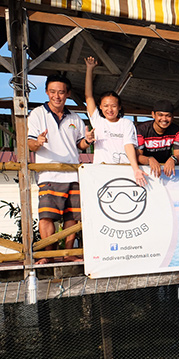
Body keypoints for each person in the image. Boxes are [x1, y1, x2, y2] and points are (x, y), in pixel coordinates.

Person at [28, 74, 94, 264]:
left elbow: (80, 144)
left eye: (61, 92)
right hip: (49, 174)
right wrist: (38, 142)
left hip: (73, 174)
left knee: (72, 217)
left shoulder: (75, 118)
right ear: (47, 92)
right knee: (47, 216)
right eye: (53, 92)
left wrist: (87, 140)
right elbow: (31, 143)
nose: (57, 96)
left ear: (68, 94)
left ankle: (69, 253)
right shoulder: (38, 114)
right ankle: (49, 255)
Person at [84, 57, 146, 186]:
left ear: (119, 107)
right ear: (100, 106)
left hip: (125, 170)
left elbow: (129, 145)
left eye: (113, 106)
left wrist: (135, 169)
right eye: (106, 106)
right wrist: (89, 69)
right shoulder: (97, 121)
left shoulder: (126, 123)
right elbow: (88, 97)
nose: (109, 109)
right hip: (102, 171)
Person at [136, 100, 179, 178]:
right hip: (146, 170)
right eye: (160, 115)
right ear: (153, 115)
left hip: (166, 171)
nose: (164, 119)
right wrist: (149, 160)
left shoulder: (177, 130)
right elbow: (137, 156)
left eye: (168, 115)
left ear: (172, 117)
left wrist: (173, 159)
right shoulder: (141, 129)